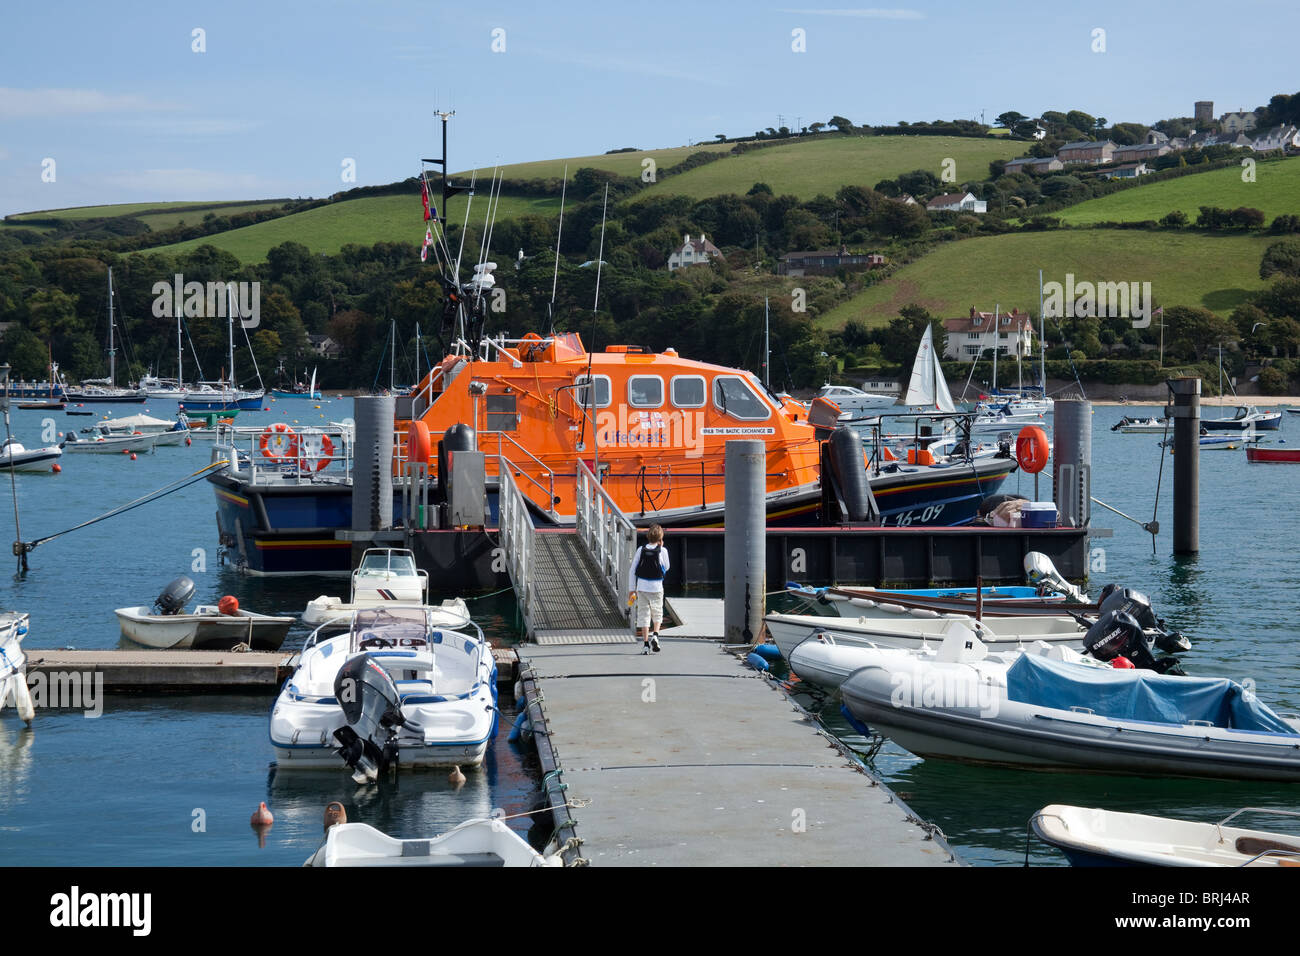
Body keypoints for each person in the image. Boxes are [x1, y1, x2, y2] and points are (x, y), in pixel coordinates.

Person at [627, 524, 670, 653]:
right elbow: (667, 567)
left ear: (648, 536)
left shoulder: (641, 549)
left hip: (642, 587)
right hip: (656, 587)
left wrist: (631, 589)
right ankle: (655, 635)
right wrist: (661, 549)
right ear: (660, 538)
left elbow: (632, 570)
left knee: (643, 614)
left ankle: (645, 645)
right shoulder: (663, 550)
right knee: (657, 613)